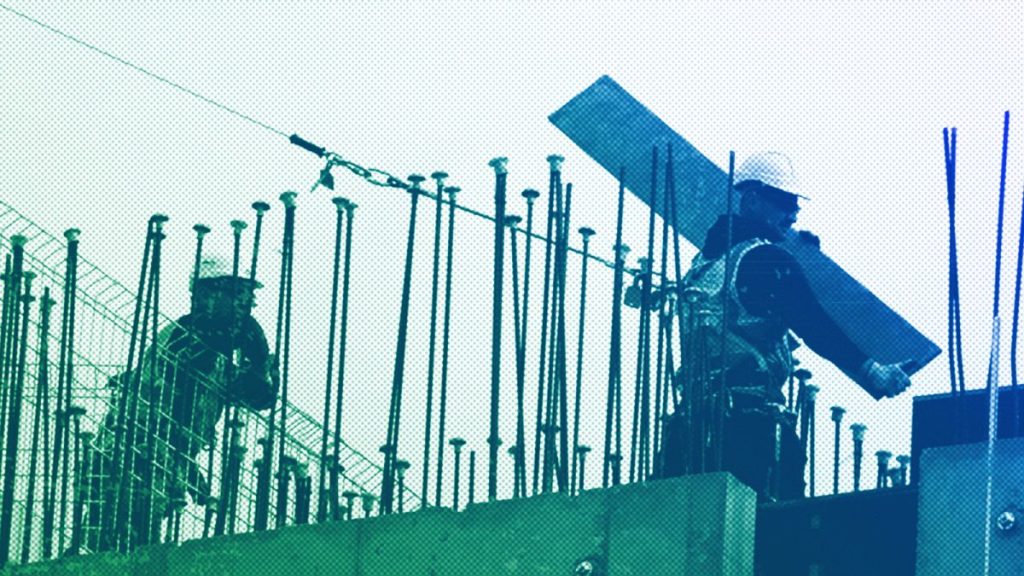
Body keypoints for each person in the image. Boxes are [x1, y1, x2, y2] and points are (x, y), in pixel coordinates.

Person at [659, 151, 910, 501]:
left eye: (795, 205)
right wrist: (871, 371)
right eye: (784, 202)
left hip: (689, 430)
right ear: (752, 198)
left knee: (682, 539)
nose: (793, 214)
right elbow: (813, 322)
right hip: (748, 433)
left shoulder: (704, 263)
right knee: (765, 542)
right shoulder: (765, 260)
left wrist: (795, 255)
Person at [83, 256, 277, 551]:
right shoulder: (182, 335)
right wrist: (243, 340)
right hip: (133, 451)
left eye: (249, 298)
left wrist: (261, 365)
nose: (248, 304)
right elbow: (191, 363)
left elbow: (260, 398)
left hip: (163, 457)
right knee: (117, 532)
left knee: (137, 534)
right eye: (239, 294)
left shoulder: (224, 353)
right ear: (208, 294)